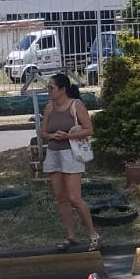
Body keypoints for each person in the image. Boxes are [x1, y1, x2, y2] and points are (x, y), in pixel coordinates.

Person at [39, 72, 98, 252]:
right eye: (48, 87)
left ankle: (93, 235)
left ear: (62, 89)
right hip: (54, 153)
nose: (48, 90)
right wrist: (52, 136)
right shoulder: (49, 107)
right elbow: (43, 133)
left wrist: (68, 136)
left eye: (51, 88)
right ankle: (71, 236)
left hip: (71, 154)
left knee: (74, 197)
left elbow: (89, 130)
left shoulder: (76, 105)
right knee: (61, 197)